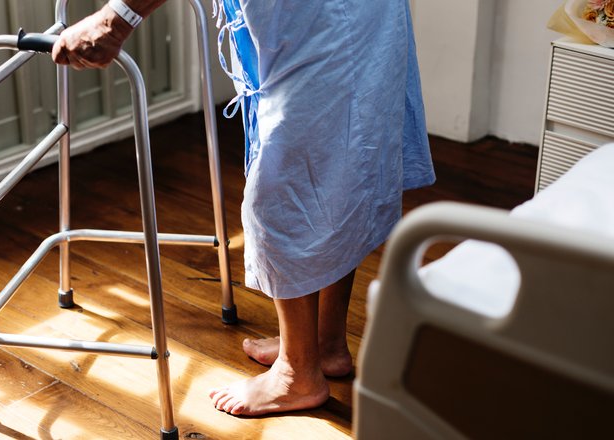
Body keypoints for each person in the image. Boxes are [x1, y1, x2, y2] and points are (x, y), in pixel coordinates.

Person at [52, 0, 435, 417]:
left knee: (291, 184)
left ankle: (298, 375)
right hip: (344, 16)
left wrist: (117, 18)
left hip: (322, 20)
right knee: (341, 164)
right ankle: (322, 345)